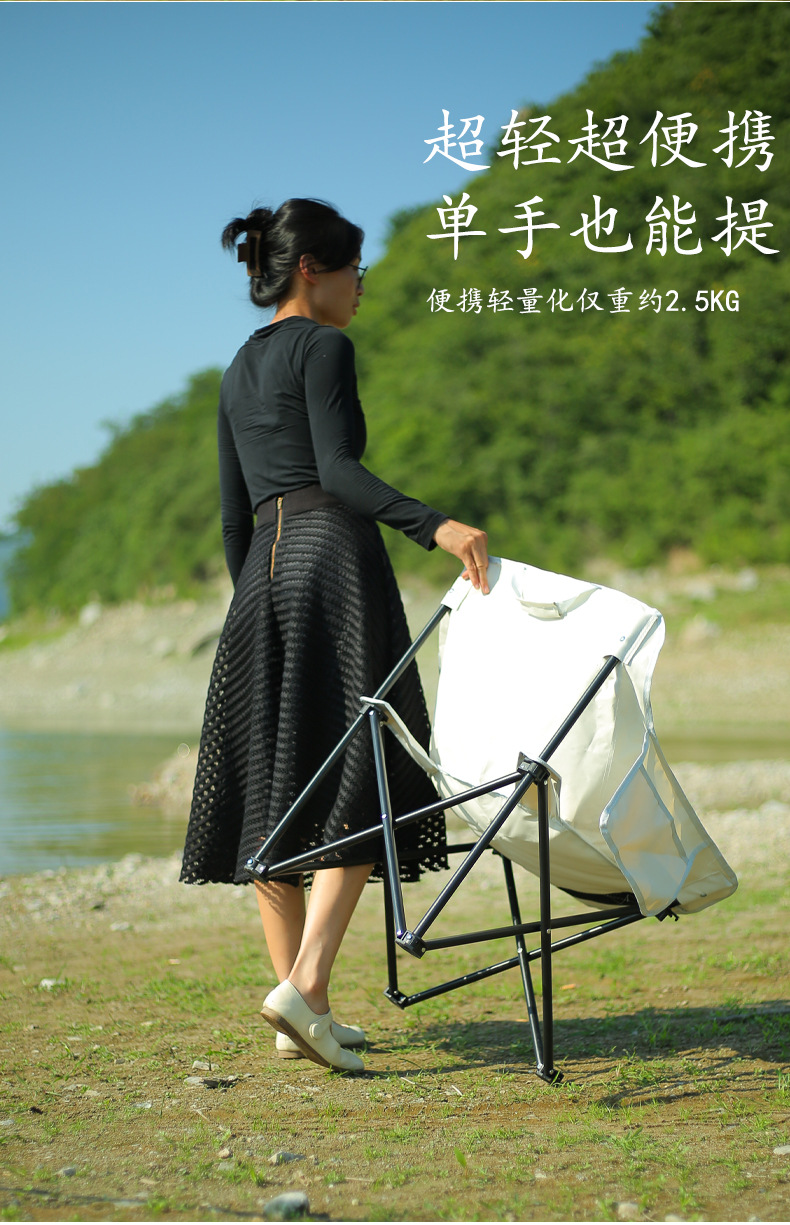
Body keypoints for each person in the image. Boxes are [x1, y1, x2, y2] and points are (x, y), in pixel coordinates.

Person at [180, 198, 489, 1074]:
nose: (363, 286)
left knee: (276, 783)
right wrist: (435, 525)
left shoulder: (237, 369)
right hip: (333, 559)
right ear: (313, 268)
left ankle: (301, 1012)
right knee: (367, 768)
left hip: (262, 578)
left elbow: (234, 517)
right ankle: (306, 984)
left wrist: (259, 604)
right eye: (357, 269)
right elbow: (339, 471)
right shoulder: (324, 348)